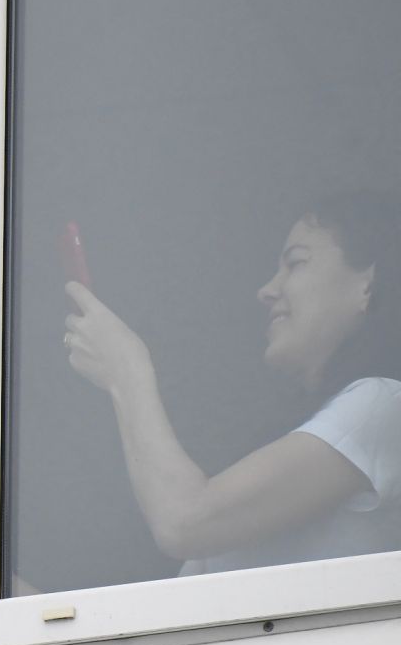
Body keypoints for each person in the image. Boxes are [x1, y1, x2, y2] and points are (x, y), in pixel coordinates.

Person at [62, 191, 401, 573]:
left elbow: (184, 520)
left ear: (367, 286)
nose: (267, 289)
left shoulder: (382, 405)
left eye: (296, 263)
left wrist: (127, 370)